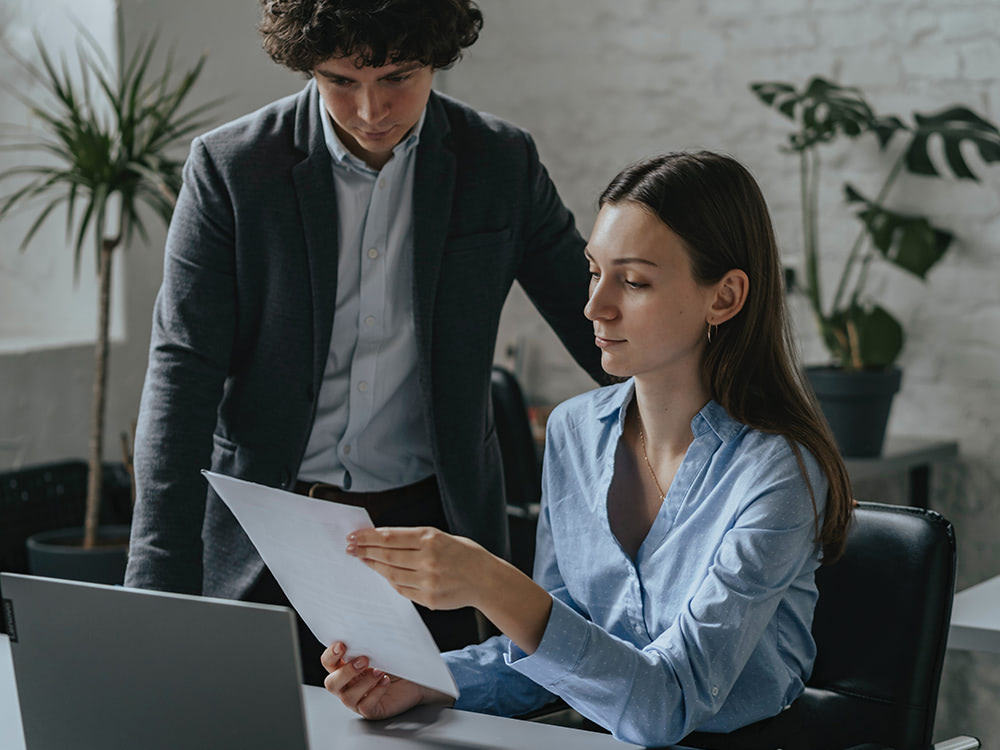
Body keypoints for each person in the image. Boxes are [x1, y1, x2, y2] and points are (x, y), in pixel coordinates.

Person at [123, 0, 603, 686]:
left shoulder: (500, 160)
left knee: (432, 731)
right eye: (340, 81)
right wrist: (154, 594)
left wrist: (726, 428)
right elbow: (182, 377)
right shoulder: (231, 169)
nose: (371, 109)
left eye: (398, 77)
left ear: (438, 56)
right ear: (307, 66)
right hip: (270, 529)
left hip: (433, 537)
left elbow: (599, 325)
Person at [320, 151, 855, 747]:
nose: (595, 307)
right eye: (594, 271)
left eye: (633, 281)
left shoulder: (776, 472)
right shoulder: (574, 429)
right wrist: (428, 681)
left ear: (724, 298)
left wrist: (491, 584)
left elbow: (666, 705)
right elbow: (562, 656)